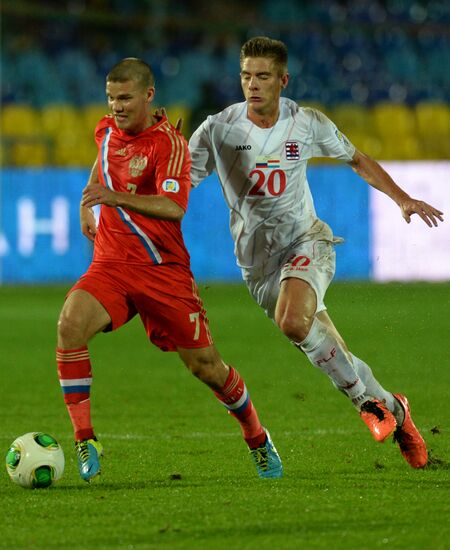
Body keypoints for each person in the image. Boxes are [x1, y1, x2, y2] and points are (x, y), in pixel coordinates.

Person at [187, 37, 444, 469]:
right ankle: (397, 411)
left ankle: (368, 404)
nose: (253, 84)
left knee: (293, 321)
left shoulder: (306, 123)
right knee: (332, 349)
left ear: (283, 80)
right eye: (247, 75)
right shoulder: (218, 129)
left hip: (307, 243)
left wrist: (402, 199)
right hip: (259, 268)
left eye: (263, 76)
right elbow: (178, 182)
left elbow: (357, 159)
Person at [56, 57, 283, 482]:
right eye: (110, 98)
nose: (116, 106)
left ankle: (256, 436)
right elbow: (103, 155)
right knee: (69, 324)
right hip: (111, 263)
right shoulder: (106, 129)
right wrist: (88, 202)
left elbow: (173, 207)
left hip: (163, 272)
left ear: (148, 95)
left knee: (207, 368)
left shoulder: (168, 145)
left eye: (124, 98)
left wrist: (114, 198)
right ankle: (85, 438)